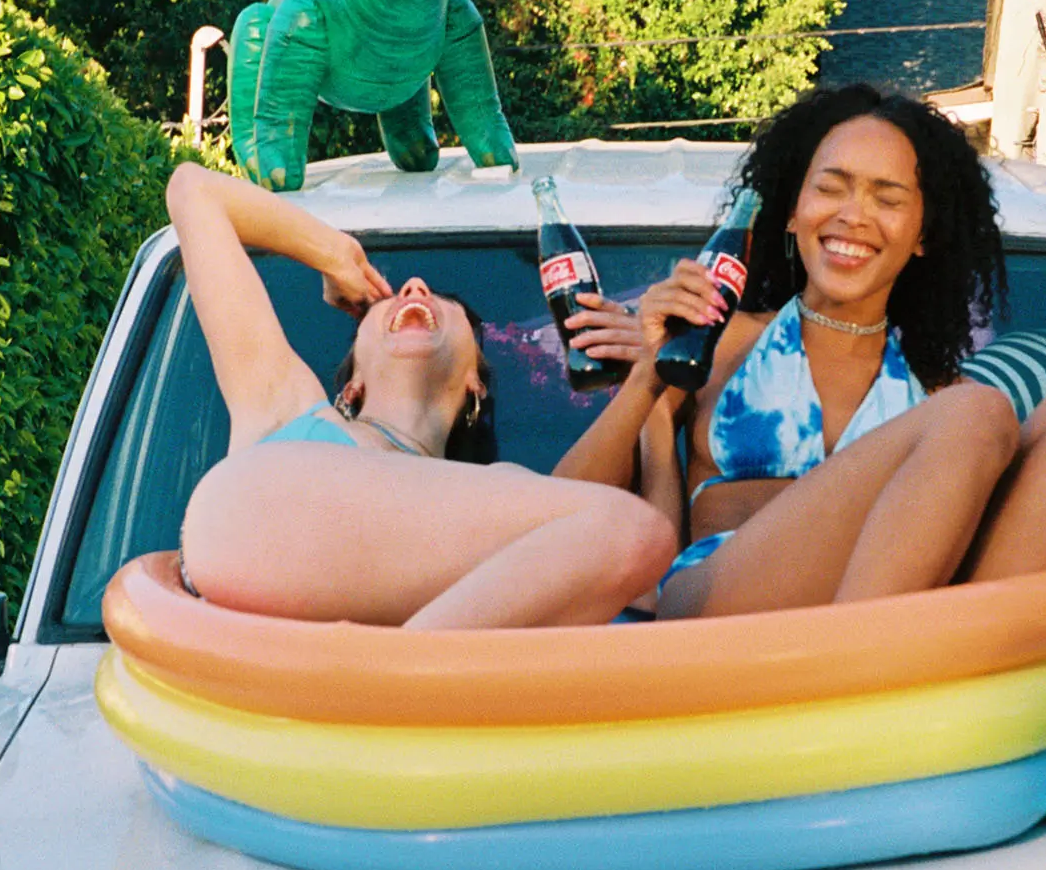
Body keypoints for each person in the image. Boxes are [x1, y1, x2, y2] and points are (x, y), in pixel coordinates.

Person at [554, 86, 1046, 619]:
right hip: (716, 619)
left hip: (905, 622)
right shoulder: (718, 339)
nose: (853, 216)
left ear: (924, 236)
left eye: (887, 199)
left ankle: (941, 671)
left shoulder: (939, 401)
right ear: (790, 210)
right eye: (831, 189)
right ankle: (873, 676)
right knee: (979, 415)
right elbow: (560, 516)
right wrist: (646, 382)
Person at [167, 162, 675, 629]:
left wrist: (652, 384)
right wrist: (329, 251)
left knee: (636, 533)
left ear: (477, 380)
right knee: (629, 529)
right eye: (387, 301)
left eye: (445, 302)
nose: (413, 287)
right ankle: (396, 685)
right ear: (351, 384)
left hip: (311, 681)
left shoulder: (501, 494)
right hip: (227, 552)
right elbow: (194, 190)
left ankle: (389, 690)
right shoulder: (285, 403)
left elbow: (653, 591)